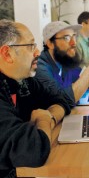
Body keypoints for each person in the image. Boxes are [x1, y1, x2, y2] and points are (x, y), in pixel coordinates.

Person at [0, 20, 71, 177]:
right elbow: (31, 150)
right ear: (7, 53)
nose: (38, 52)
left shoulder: (22, 79)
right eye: (31, 46)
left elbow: (61, 101)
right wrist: (43, 121)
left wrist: (48, 119)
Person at [35, 21, 89, 107]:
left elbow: (81, 77)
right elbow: (62, 101)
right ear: (50, 43)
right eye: (66, 38)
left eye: (74, 36)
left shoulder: (64, 59)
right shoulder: (40, 68)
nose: (74, 43)